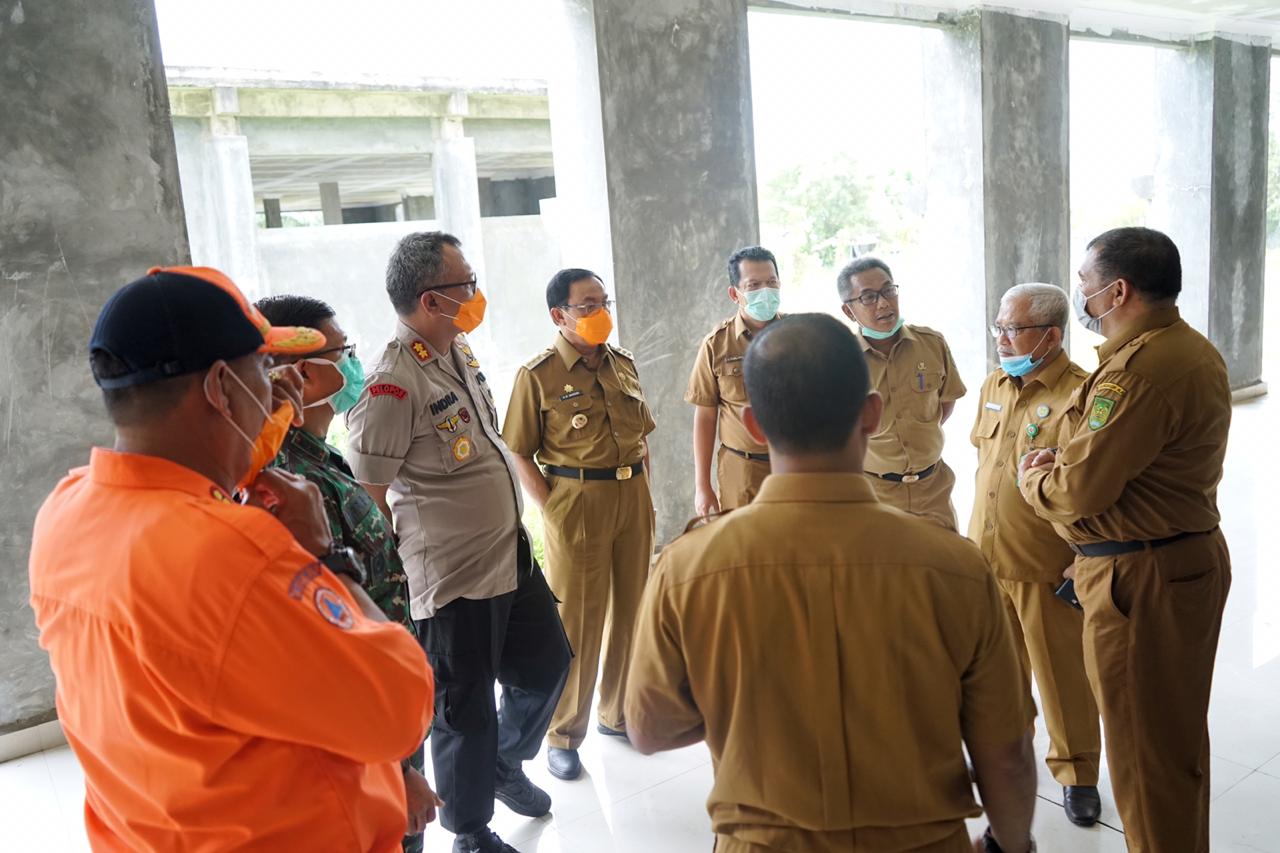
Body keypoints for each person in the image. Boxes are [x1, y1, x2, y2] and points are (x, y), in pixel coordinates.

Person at [28, 266, 434, 851]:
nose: (278, 391)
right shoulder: (235, 551)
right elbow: (397, 709)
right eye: (262, 371)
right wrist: (324, 558)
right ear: (221, 386)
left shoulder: (66, 512)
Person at [627, 313, 1038, 853]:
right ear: (872, 413)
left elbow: (650, 728)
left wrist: (740, 694)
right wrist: (1012, 844)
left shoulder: (688, 569)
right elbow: (1006, 752)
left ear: (754, 424)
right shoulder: (955, 568)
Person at [345, 231, 572, 853]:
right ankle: (470, 831)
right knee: (463, 709)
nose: (475, 293)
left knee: (549, 665)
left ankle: (501, 762)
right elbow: (370, 496)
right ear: (430, 299)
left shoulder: (458, 347)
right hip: (451, 576)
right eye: (463, 284)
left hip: (508, 553)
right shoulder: (392, 381)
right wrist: (389, 597)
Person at [1019, 228, 1232, 853]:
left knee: (1145, 756)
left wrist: (1036, 479)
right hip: (1174, 560)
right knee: (1173, 743)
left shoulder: (1135, 375)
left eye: (1086, 286)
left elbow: (1076, 491)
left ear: (1117, 290)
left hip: (1140, 580)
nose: (1082, 296)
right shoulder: (1185, 348)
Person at [257, 293, 441, 852]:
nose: (355, 364)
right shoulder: (284, 481)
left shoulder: (318, 455)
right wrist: (394, 768)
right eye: (345, 351)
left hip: (392, 718)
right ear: (301, 373)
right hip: (368, 751)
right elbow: (324, 646)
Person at [502, 268, 656, 782]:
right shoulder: (538, 374)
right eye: (587, 305)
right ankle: (564, 733)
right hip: (577, 499)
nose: (600, 312)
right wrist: (553, 509)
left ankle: (618, 713)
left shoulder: (623, 363)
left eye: (602, 301)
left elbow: (642, 435)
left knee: (633, 609)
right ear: (559, 315)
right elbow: (519, 450)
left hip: (632, 495)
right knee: (580, 623)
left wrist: (644, 487)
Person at [970, 283, 1102, 828]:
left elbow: (1094, 484)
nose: (1002, 339)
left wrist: (1084, 557)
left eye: (1014, 329)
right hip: (987, 557)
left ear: (1050, 335)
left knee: (1060, 674)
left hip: (1045, 562)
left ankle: (1077, 774)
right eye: (999, 327)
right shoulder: (995, 383)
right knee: (997, 675)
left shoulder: (1081, 393)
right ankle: (1011, 755)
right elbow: (986, 461)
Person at [837, 257, 965, 530]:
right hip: (874, 493)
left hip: (933, 489)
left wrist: (916, 431)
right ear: (849, 311)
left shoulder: (931, 343)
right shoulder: (839, 360)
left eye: (888, 291)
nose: (883, 303)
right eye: (868, 297)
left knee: (945, 567)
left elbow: (946, 402)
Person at [685, 245, 783, 517]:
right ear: (734, 294)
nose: (766, 291)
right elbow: (705, 416)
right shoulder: (716, 345)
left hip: (796, 468)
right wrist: (702, 485)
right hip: (743, 471)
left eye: (772, 282)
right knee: (746, 551)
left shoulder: (799, 336)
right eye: (754, 285)